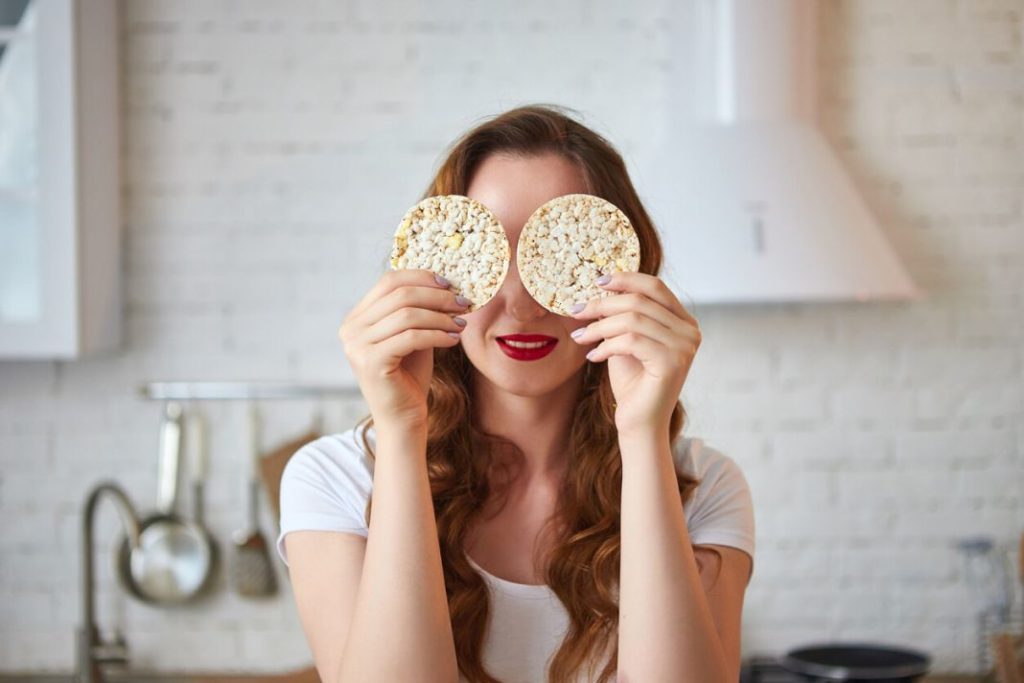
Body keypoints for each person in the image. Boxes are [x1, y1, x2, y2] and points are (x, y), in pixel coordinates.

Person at [276, 104, 755, 683]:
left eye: (558, 256)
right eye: (491, 255)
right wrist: (403, 430)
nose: (522, 304)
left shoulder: (700, 488)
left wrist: (642, 432)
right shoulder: (337, 479)